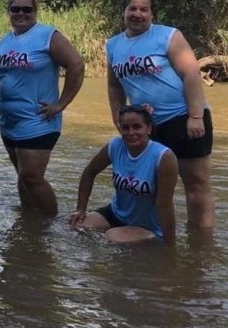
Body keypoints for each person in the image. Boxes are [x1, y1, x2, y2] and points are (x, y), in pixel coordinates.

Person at [106, 0, 214, 228]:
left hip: (183, 118)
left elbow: (191, 74)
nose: (137, 14)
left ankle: (200, 245)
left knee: (195, 183)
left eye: (144, 9)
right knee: (151, 186)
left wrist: (195, 116)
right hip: (146, 127)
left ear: (153, 14)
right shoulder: (113, 45)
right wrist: (118, 117)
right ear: (123, 12)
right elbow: (115, 86)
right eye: (132, 8)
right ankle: (157, 239)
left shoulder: (168, 36)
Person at [0, 0, 85, 215]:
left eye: (27, 9)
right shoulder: (5, 40)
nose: (21, 13)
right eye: (15, 9)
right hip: (8, 120)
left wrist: (61, 104)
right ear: (9, 11)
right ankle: (29, 225)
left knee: (32, 177)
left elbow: (77, 65)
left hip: (39, 118)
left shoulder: (48, 35)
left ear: (35, 11)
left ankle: (50, 225)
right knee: (22, 177)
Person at [69, 105, 178, 244]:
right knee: (74, 226)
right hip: (117, 213)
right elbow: (90, 172)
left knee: (112, 237)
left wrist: (170, 246)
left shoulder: (163, 157)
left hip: (148, 225)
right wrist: (80, 209)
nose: (131, 132)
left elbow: (164, 204)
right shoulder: (115, 146)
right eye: (125, 128)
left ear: (149, 129)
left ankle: (152, 240)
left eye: (137, 127)